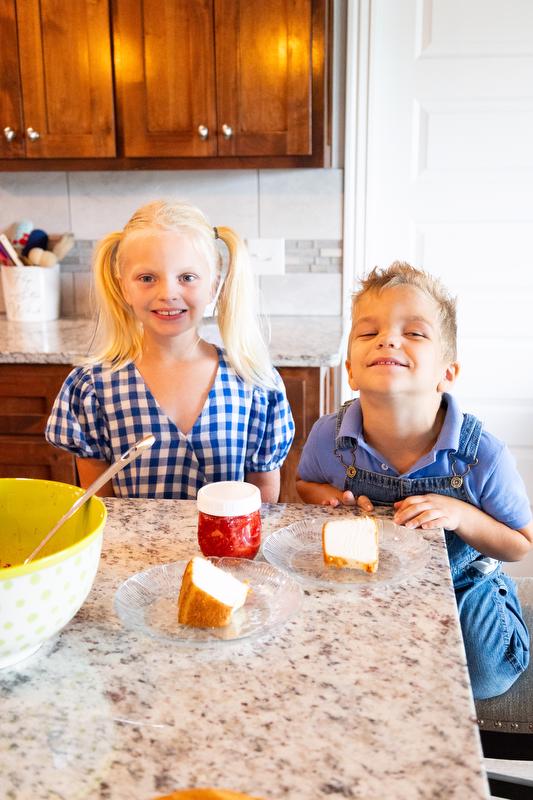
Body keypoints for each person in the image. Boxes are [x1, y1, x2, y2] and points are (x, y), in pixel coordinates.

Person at [296, 261, 533, 699]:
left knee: (483, 677)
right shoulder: (329, 438)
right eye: (369, 333)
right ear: (350, 369)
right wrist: (330, 498)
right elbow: (306, 484)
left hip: (464, 580)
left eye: (415, 333)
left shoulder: (482, 455)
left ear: (447, 373)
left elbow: (521, 544)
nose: (388, 338)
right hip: (371, 577)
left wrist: (461, 515)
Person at [46, 200, 294, 502]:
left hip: (228, 552)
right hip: (131, 550)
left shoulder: (254, 383)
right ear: (124, 286)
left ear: (213, 286)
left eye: (187, 277)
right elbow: (100, 502)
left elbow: (263, 496)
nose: (167, 294)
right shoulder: (92, 388)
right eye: (147, 278)